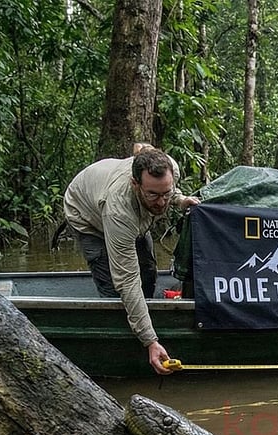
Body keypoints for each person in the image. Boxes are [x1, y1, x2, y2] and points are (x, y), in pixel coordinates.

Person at [63, 147, 199, 375]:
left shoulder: (171, 169)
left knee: (148, 270)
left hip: (130, 209)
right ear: (135, 184)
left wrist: (179, 200)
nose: (161, 203)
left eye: (165, 193)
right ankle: (131, 348)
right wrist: (150, 340)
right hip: (86, 215)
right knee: (115, 292)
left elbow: (164, 193)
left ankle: (143, 321)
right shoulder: (119, 211)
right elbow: (127, 280)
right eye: (153, 195)